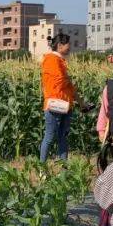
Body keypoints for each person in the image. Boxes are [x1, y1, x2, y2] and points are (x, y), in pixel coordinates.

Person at [40, 33, 78, 162]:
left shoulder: (60, 60)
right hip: (55, 104)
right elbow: (59, 81)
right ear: (60, 45)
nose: (70, 47)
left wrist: (79, 100)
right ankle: (42, 168)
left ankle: (64, 168)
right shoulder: (51, 59)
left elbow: (66, 84)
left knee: (63, 137)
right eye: (69, 44)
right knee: (49, 137)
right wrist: (68, 79)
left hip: (65, 104)